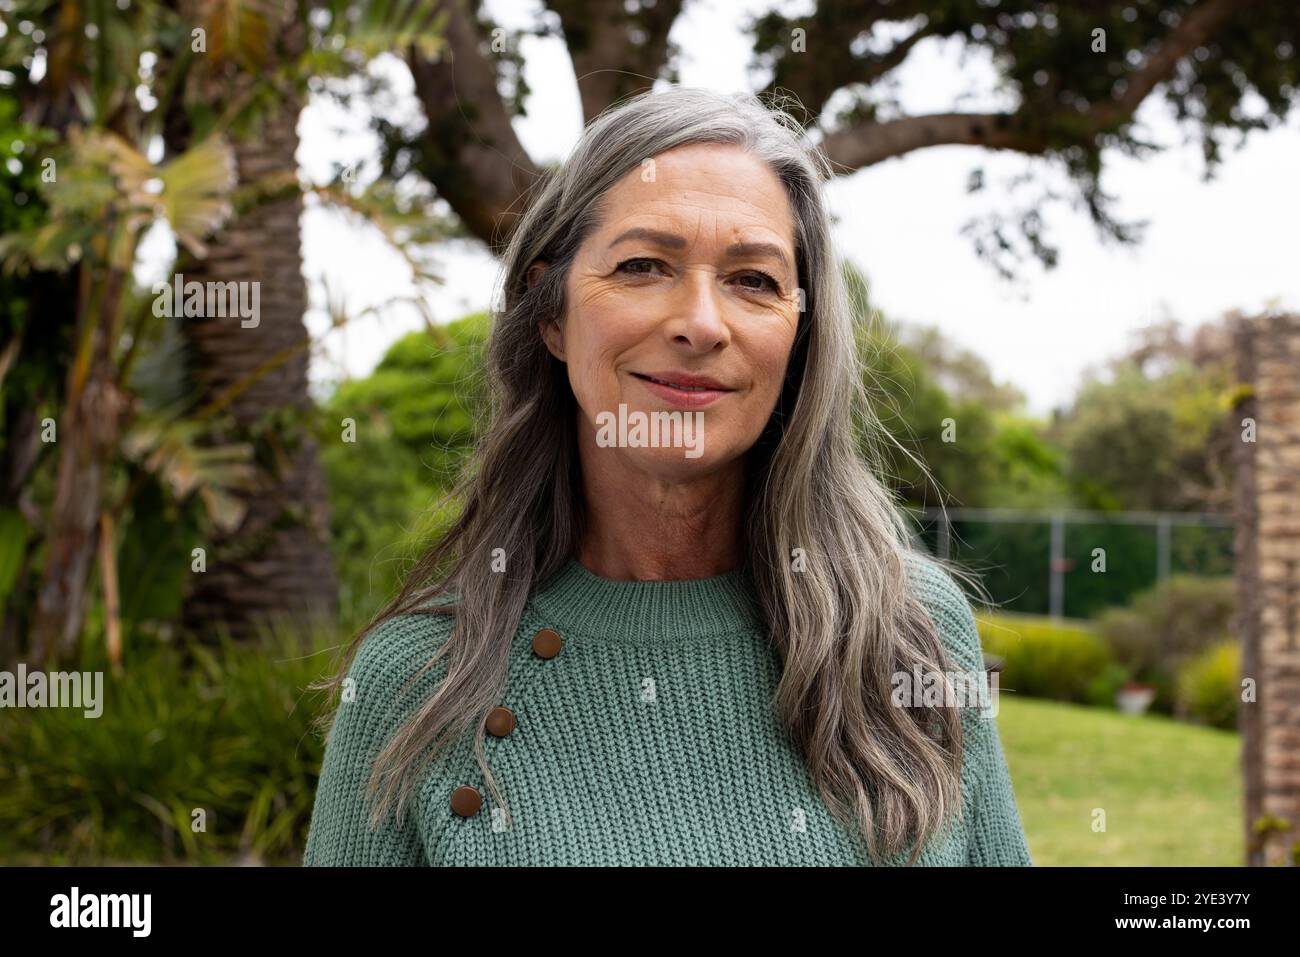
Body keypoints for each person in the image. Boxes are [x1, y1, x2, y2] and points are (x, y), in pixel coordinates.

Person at [303, 86, 1032, 867]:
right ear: (550, 313)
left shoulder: (910, 634)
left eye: (753, 279)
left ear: (799, 332)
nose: (702, 323)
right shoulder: (418, 683)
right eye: (644, 265)